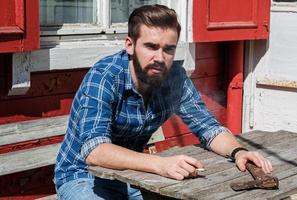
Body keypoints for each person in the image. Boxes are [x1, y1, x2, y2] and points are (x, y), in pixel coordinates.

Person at [54, 4, 272, 200]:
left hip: (133, 175)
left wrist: (238, 152)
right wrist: (161, 164)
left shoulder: (175, 77)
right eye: (151, 46)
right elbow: (95, 151)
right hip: (82, 176)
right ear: (129, 45)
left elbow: (209, 128)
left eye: (168, 49)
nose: (160, 58)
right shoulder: (104, 77)